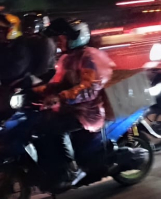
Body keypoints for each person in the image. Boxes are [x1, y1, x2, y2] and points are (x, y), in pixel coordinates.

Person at [37, 18, 114, 188]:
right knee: (39, 122)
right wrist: (39, 89)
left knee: (54, 128)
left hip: (87, 110)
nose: (59, 41)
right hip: (70, 107)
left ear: (75, 37)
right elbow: (59, 83)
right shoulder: (67, 58)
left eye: (63, 38)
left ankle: (71, 168)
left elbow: (89, 88)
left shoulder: (88, 57)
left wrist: (62, 96)